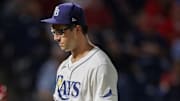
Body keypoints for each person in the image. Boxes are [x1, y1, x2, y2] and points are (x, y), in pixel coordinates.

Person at [41, 2, 118, 101]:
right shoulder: (63, 67)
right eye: (55, 32)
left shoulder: (99, 65)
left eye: (61, 31)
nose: (56, 38)